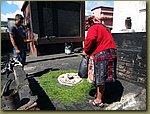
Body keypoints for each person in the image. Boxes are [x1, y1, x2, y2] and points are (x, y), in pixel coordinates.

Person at [83, 16, 117, 107]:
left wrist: (85, 50)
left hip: (103, 54)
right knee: (104, 75)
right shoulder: (104, 28)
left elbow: (90, 39)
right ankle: (101, 95)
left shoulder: (93, 28)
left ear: (90, 23)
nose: (86, 27)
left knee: (100, 76)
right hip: (112, 52)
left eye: (86, 25)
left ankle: (99, 100)